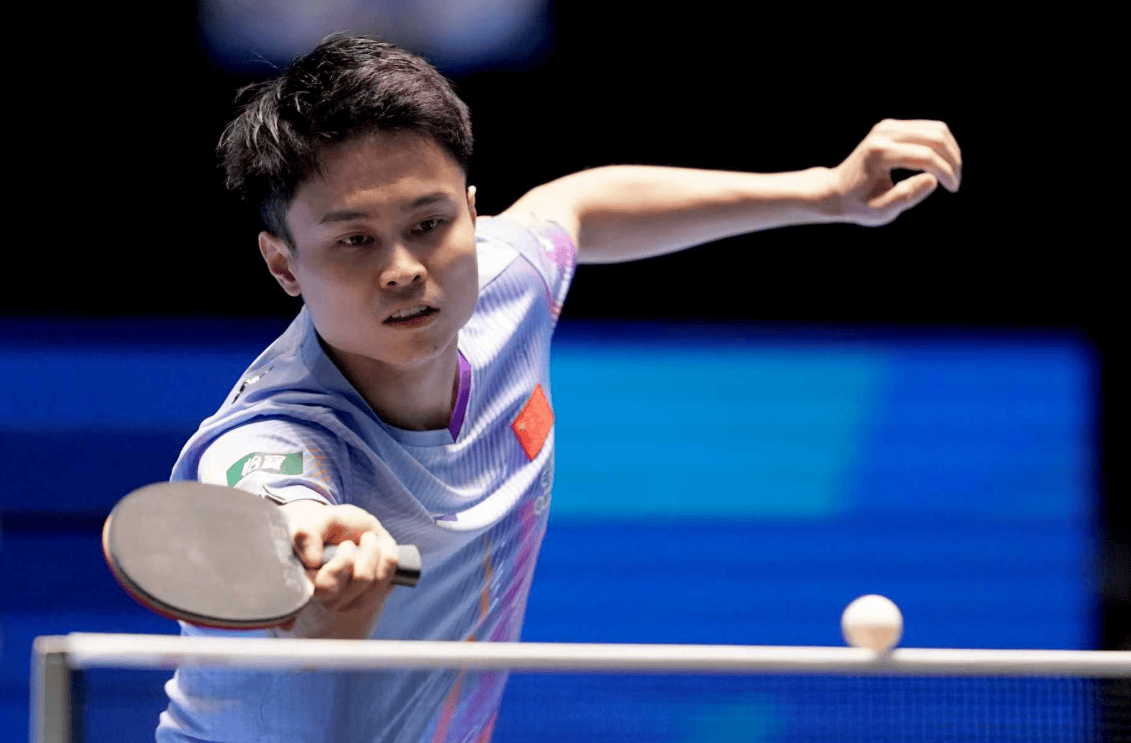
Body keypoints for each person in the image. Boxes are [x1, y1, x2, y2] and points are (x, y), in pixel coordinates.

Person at [156, 32, 961, 743]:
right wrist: (316, 550)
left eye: (430, 224)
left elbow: (574, 208)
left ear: (472, 213)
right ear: (283, 264)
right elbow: (271, 495)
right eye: (355, 240)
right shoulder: (274, 435)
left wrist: (825, 192)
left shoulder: (504, 287)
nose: (402, 268)